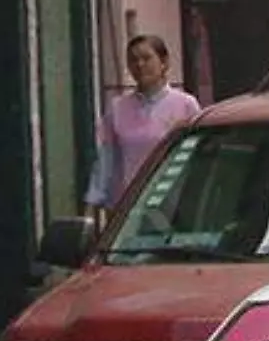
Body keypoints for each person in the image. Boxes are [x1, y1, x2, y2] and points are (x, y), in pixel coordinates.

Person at [83, 34, 202, 221]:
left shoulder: (186, 106)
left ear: (164, 62)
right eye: (133, 60)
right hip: (126, 210)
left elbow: (197, 159)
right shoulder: (117, 108)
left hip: (171, 207)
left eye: (146, 58)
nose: (140, 65)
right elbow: (106, 160)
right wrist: (91, 206)